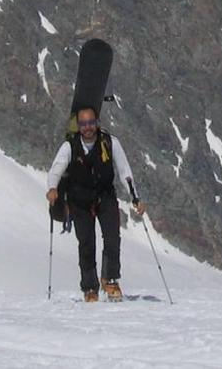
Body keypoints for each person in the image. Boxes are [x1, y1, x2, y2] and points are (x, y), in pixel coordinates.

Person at [46, 107, 145, 301]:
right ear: (78, 126)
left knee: (112, 238)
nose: (88, 127)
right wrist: (52, 188)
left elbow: (125, 171)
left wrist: (135, 198)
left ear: (97, 123)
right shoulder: (70, 146)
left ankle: (110, 279)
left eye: (91, 123)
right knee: (86, 242)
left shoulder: (109, 142)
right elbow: (55, 170)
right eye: (83, 124)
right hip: (80, 201)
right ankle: (89, 287)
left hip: (105, 196)